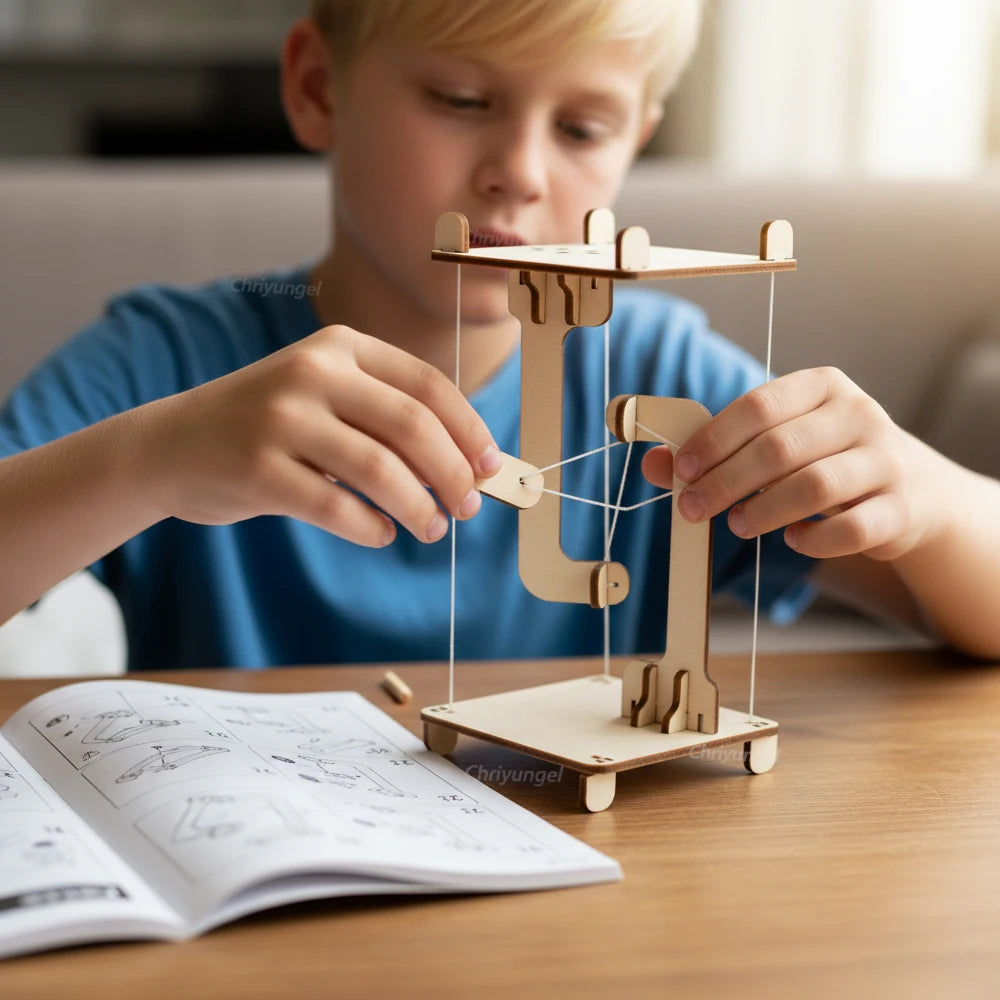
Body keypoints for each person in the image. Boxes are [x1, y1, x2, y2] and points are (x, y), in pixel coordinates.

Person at [1, 0, 998, 672]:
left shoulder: (657, 374)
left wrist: (927, 500)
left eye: (582, 129)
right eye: (461, 100)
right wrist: (150, 460)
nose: (519, 173)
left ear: (636, 139)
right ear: (315, 87)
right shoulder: (171, 363)